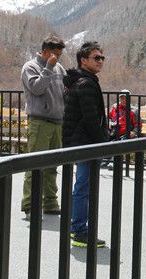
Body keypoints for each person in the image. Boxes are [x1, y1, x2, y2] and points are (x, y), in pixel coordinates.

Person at [62, 41, 110, 248]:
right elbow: (91, 119)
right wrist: (102, 142)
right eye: (96, 58)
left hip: (79, 141)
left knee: (82, 186)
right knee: (83, 187)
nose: (100, 61)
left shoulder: (80, 81)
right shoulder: (86, 84)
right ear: (83, 60)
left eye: (102, 58)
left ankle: (77, 227)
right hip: (86, 143)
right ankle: (79, 230)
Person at [21, 35, 67, 215]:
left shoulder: (60, 68)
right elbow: (37, 88)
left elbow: (64, 91)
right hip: (39, 122)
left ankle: (49, 202)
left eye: (60, 54)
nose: (58, 58)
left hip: (57, 122)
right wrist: (48, 68)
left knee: (52, 166)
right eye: (56, 54)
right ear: (46, 52)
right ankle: (29, 205)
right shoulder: (30, 67)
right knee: (35, 165)